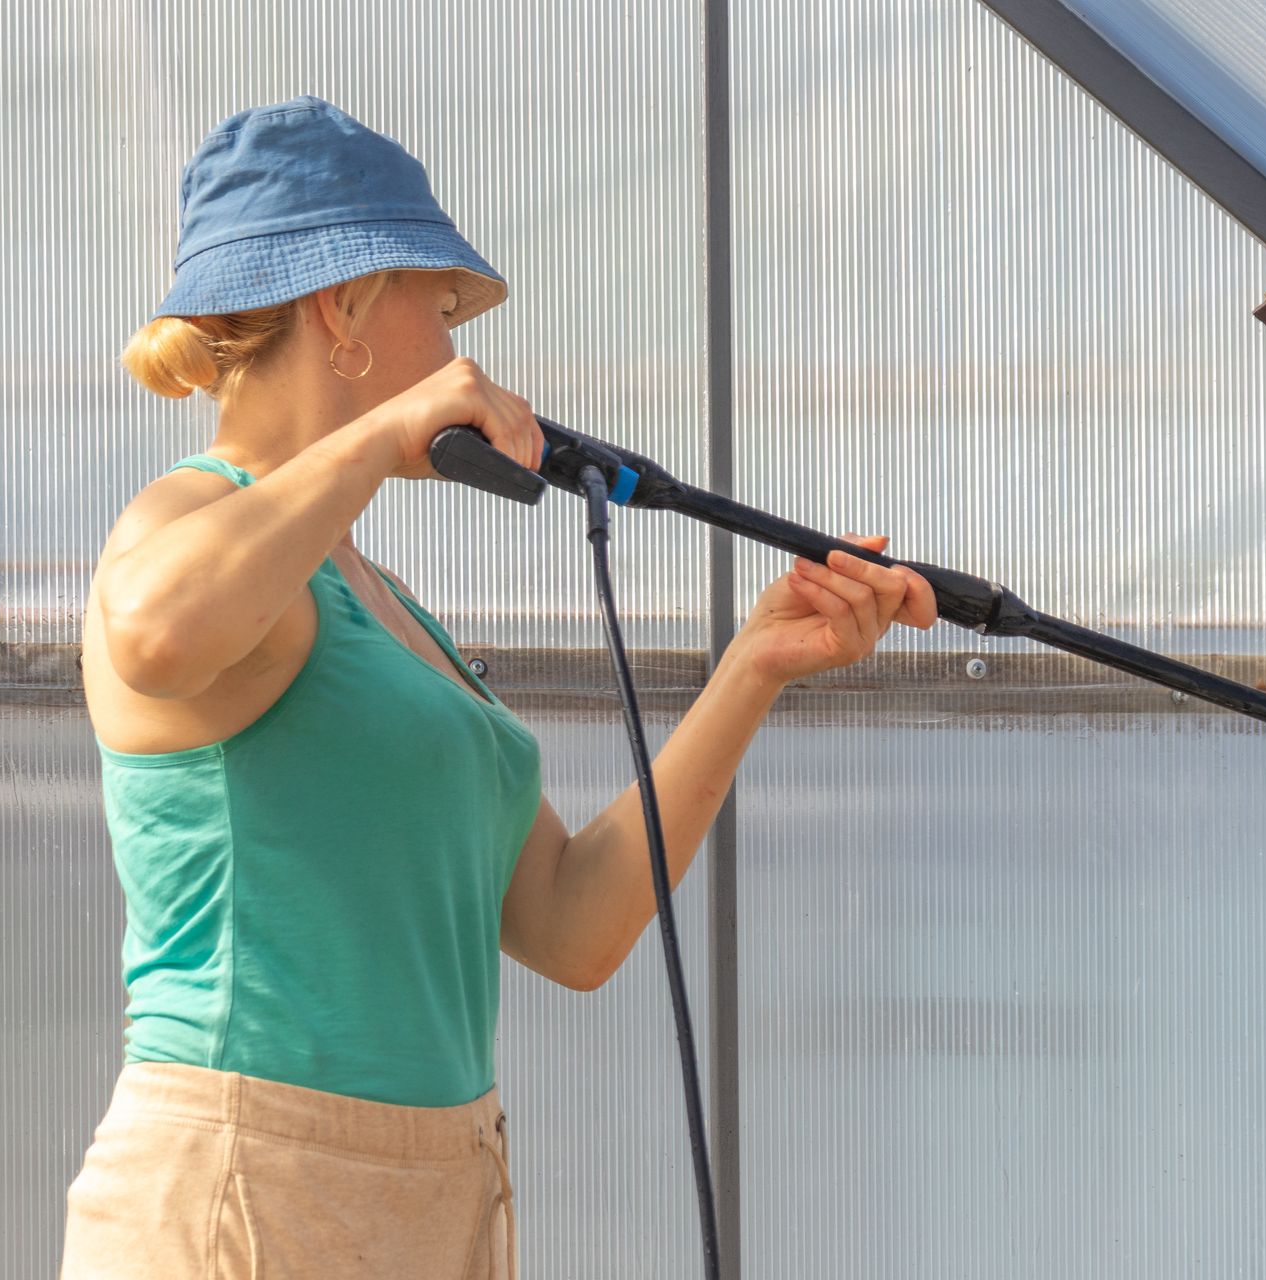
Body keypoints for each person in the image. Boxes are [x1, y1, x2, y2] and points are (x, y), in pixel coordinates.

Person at [58, 95, 937, 1279]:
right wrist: (379, 440)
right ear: (348, 302)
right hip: (249, 1174)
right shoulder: (188, 513)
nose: (466, 342)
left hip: (438, 1185)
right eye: (448, 301)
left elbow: (573, 922)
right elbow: (155, 635)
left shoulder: (378, 595)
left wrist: (758, 662)